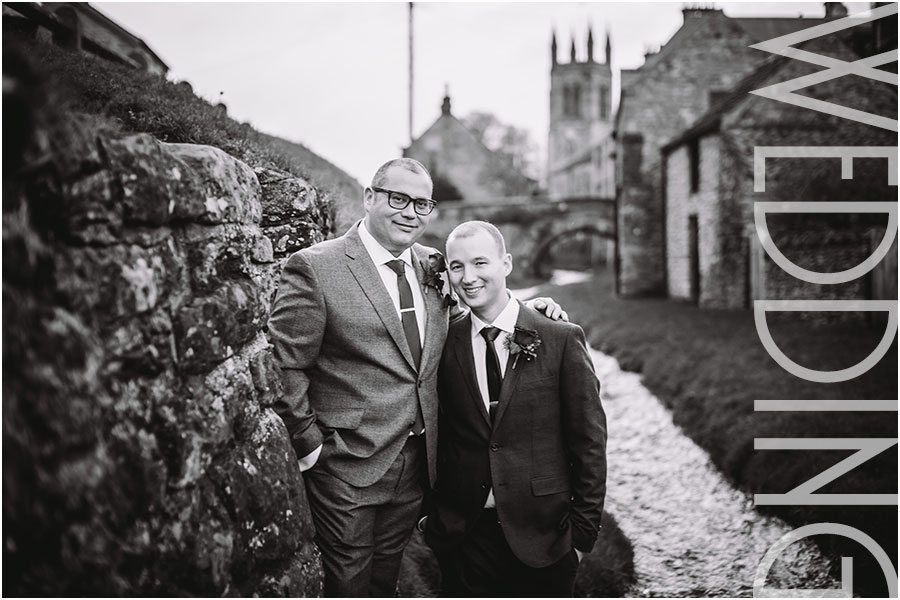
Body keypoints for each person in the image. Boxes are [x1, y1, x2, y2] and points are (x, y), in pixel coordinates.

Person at [267, 159, 566, 597]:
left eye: (422, 203)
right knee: (348, 583)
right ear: (370, 198)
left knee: (386, 579)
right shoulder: (316, 267)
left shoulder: (433, 264)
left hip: (419, 466)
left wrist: (527, 312)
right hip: (346, 463)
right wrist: (309, 445)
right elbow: (286, 362)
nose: (410, 212)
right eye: (398, 199)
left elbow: (475, 311)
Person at [423, 220, 607, 597]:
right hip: (465, 535)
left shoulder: (559, 337)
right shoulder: (442, 339)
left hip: (546, 535)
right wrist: (434, 517)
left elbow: (588, 442)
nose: (468, 277)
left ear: (506, 263)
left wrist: (581, 534)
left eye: (480, 263)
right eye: (456, 266)